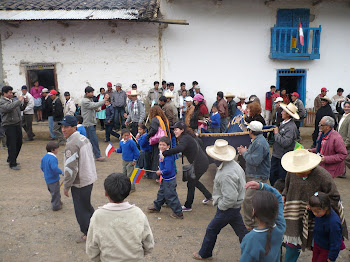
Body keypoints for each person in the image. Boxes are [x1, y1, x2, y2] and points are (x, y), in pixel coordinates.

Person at [280, 149, 348, 261]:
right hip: (295, 215)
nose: (297, 173)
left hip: (318, 219)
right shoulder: (292, 172)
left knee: (319, 247)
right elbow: (287, 187)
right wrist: (284, 195)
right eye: (296, 171)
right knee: (292, 245)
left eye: (301, 171)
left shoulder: (323, 176)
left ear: (310, 167)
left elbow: (334, 197)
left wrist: (316, 207)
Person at [193, 139, 248, 260]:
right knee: (241, 231)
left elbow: (230, 198)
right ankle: (252, 251)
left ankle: (205, 253)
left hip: (228, 207)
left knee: (211, 229)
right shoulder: (233, 165)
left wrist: (220, 205)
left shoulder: (226, 174)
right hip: (234, 206)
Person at [86, 173, 154, 261]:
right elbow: (148, 244)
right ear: (128, 192)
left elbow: (92, 248)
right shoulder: (138, 213)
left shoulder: (98, 216)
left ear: (106, 193)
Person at [61, 115, 98, 243]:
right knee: (86, 205)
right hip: (89, 177)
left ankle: (87, 234)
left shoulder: (71, 144)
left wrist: (66, 186)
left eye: (66, 127)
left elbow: (71, 169)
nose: (63, 129)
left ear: (74, 127)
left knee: (80, 209)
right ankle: (95, 228)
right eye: (62, 126)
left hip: (80, 182)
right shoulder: (84, 138)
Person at [162, 121, 212, 211]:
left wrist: (166, 152)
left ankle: (188, 206)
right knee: (194, 181)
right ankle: (209, 196)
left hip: (200, 164)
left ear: (182, 130)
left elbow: (180, 148)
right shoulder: (188, 137)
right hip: (201, 162)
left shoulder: (185, 138)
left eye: (176, 129)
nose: (175, 131)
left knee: (191, 183)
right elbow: (200, 142)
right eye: (174, 130)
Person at [240, 182, 285, 262]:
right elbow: (278, 197)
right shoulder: (280, 227)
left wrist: (261, 186)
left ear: (254, 211)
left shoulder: (250, 239)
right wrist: (262, 186)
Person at [237, 121, 271, 229]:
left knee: (248, 200)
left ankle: (250, 224)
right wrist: (247, 151)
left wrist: (244, 152)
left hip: (258, 175)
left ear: (251, 131)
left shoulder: (259, 143)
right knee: (256, 200)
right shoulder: (258, 141)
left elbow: (255, 160)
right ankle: (256, 221)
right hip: (256, 174)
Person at [148, 136, 184, 219]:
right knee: (161, 193)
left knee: (171, 196)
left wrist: (161, 172)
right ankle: (157, 206)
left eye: (164, 145)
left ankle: (178, 212)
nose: (161, 146)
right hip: (165, 179)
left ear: (168, 146)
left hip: (169, 180)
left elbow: (168, 169)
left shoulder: (168, 156)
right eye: (160, 144)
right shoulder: (162, 153)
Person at [308, 192, 343, 262]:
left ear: (326, 208)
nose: (315, 214)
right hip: (317, 244)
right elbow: (313, 215)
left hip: (326, 249)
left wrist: (332, 257)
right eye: (313, 211)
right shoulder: (320, 214)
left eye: (317, 211)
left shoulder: (333, 223)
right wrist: (310, 211)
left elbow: (336, 242)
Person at [269, 103, 299, 186]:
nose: (281, 112)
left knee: (280, 178)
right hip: (277, 154)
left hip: (283, 156)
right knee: (273, 175)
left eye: (283, 111)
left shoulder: (291, 127)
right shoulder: (284, 123)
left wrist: (276, 134)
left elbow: (285, 143)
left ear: (288, 115)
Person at [0, 86, 27, 170]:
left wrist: (25, 102)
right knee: (12, 144)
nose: (11, 94)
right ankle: (12, 163)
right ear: (4, 93)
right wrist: (19, 100)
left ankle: (11, 158)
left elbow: (21, 108)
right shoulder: (2, 102)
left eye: (12, 92)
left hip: (17, 124)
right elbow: (9, 107)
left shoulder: (14, 100)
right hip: (9, 125)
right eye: (9, 92)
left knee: (19, 142)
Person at [81, 86, 109, 161]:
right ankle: (97, 155)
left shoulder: (89, 99)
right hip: (88, 123)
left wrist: (97, 109)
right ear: (87, 93)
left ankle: (91, 155)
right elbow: (94, 105)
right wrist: (104, 100)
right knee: (93, 140)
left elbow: (93, 107)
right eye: (91, 92)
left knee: (90, 141)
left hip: (91, 122)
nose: (93, 94)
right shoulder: (85, 101)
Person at [146, 105, 171, 178]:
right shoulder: (164, 119)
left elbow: (154, 129)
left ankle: (156, 175)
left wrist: (148, 136)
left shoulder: (155, 119)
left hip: (158, 142)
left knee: (157, 158)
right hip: (165, 140)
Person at [40, 141, 63, 211]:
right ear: (53, 150)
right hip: (54, 179)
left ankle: (58, 202)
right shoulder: (53, 158)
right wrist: (61, 172)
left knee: (53, 191)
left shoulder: (44, 157)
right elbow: (54, 168)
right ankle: (56, 206)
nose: (57, 150)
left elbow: (42, 167)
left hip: (48, 179)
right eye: (57, 149)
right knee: (55, 192)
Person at [338, 101, 350, 178]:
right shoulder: (343, 116)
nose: (346, 108)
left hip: (346, 141)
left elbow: (349, 131)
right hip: (341, 140)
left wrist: (347, 142)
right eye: (345, 106)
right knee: (342, 158)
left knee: (346, 159)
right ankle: (342, 173)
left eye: (348, 107)